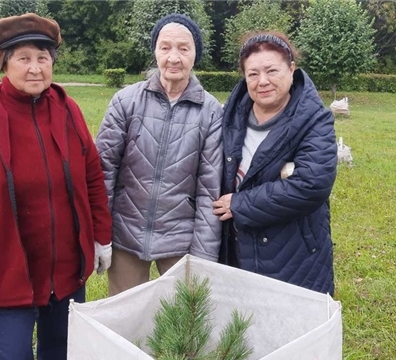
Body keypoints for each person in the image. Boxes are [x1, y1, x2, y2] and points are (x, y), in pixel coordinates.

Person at [0, 13, 112, 360]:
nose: (35, 68)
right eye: (24, 59)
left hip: (66, 274)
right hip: (6, 278)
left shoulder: (68, 109)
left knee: (60, 353)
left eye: (43, 58)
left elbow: (93, 176)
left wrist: (100, 237)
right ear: (5, 64)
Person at [96, 13, 223, 296]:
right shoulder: (125, 101)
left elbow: (209, 191)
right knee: (126, 322)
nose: (174, 57)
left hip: (181, 237)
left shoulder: (212, 112)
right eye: (165, 47)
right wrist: (99, 235)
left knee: (182, 326)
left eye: (183, 48)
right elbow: (103, 171)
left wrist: (202, 258)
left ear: (195, 55)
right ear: (155, 51)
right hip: (125, 232)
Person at [212, 32, 337, 295]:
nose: (263, 81)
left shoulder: (314, 120)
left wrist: (240, 203)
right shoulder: (229, 116)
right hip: (236, 248)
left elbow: (311, 185)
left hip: (293, 256)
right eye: (253, 74)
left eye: (272, 70)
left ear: (291, 69)